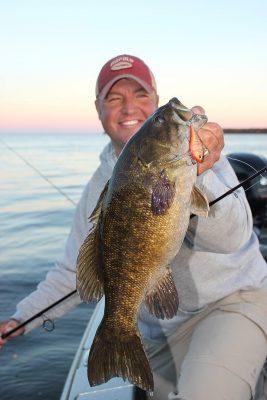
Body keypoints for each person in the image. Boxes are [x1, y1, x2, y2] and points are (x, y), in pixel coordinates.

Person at [1, 54, 267, 400]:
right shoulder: (98, 186)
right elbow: (74, 271)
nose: (130, 108)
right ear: (98, 110)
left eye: (141, 96)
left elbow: (232, 238)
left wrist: (199, 173)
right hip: (162, 325)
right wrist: (19, 321)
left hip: (234, 300)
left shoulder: (198, 153)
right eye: (114, 98)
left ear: (155, 99)